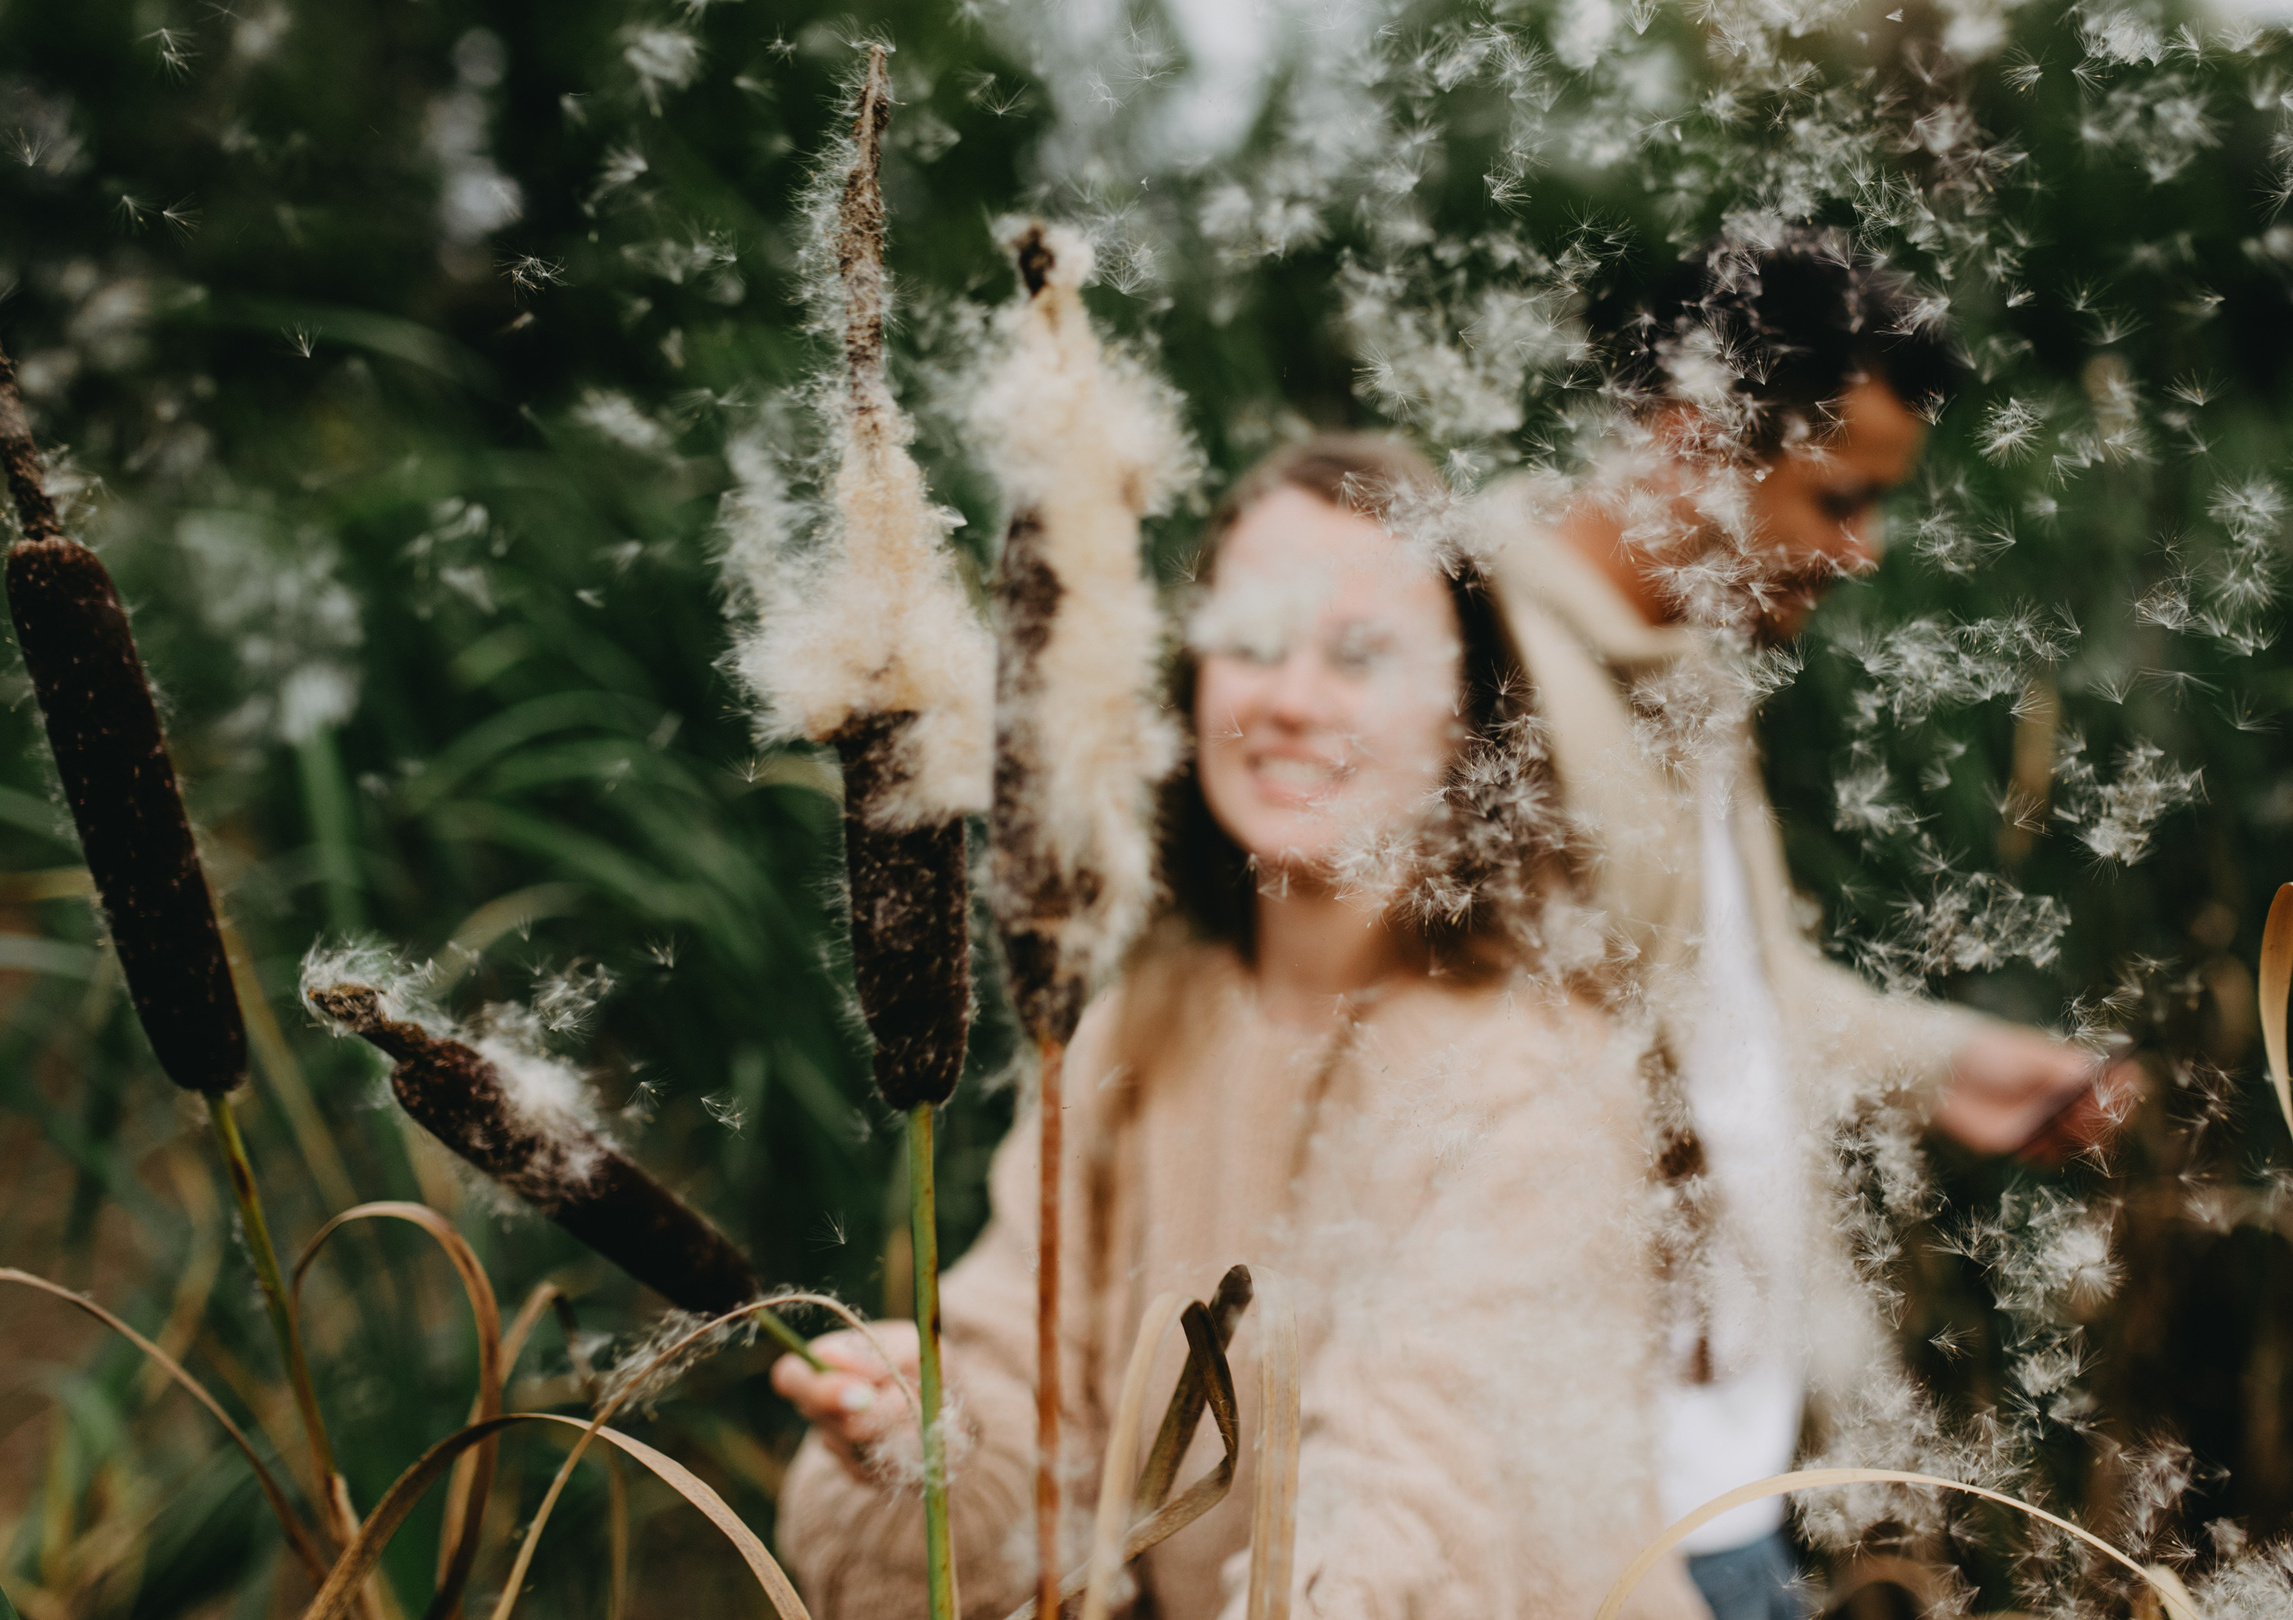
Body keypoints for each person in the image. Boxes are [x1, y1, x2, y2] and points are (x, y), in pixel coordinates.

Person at [771, 434, 1706, 1620]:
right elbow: (1027, 1386)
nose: (1290, 696)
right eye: (1252, 642)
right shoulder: (1138, 1028)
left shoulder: (1535, 1081)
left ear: (1466, 713)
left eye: (1360, 653)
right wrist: (926, 1442)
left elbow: (1414, 1526)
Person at [1493, 225, 2139, 1620]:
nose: (1867, 550)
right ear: (1691, 437)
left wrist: (1948, 1062)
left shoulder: (1688, 673)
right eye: (1840, 498)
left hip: (1733, 1477)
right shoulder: (1493, 688)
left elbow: (1738, 990)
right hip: (1607, 1519)